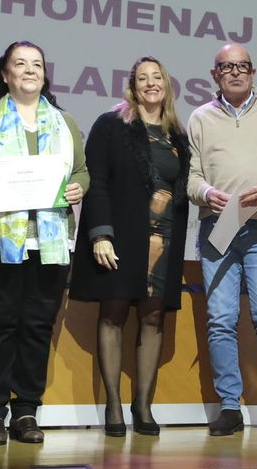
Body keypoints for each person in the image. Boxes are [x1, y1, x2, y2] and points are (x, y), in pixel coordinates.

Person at [0, 41, 89, 445]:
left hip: (50, 242)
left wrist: (79, 187)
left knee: (36, 326)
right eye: (20, 63)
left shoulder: (64, 123)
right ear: (5, 74)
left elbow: (82, 170)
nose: (30, 70)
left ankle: (26, 410)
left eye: (37, 65)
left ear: (45, 75)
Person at [69, 57, 192, 436]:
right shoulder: (112, 124)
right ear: (132, 86)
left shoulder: (178, 135)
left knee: (154, 318)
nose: (151, 83)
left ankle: (143, 406)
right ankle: (112, 405)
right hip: (120, 237)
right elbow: (97, 181)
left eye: (157, 77)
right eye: (143, 78)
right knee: (113, 314)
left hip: (164, 241)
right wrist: (100, 234)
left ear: (166, 85)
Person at [187, 43, 257, 438]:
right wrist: (206, 193)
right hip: (217, 229)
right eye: (227, 67)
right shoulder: (200, 118)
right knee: (220, 320)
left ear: (253, 73)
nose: (235, 72)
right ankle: (229, 407)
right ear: (214, 75)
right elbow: (191, 177)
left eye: (243, 66)